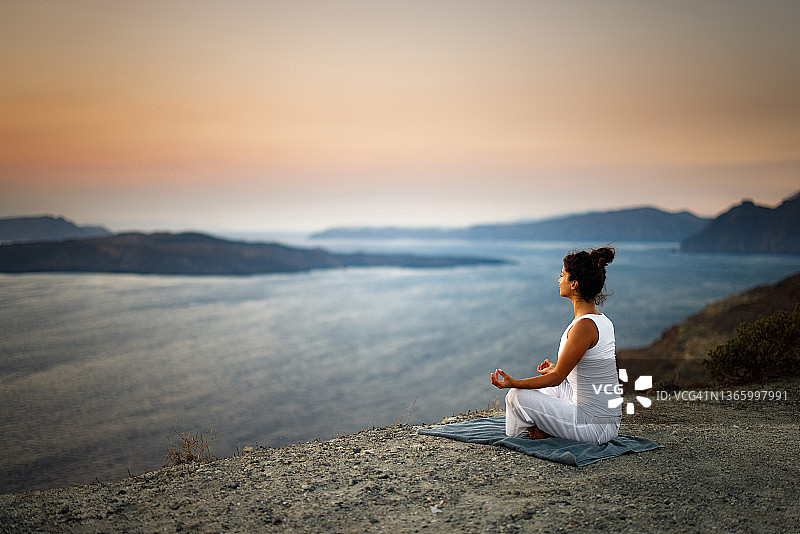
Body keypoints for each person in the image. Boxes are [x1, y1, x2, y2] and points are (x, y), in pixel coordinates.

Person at [490, 246, 622, 445]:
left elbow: (556, 378)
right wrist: (556, 369)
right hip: (606, 419)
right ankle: (546, 429)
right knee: (546, 392)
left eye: (562, 275)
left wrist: (514, 382)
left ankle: (521, 438)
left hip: (595, 426)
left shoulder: (583, 327)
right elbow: (585, 370)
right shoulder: (601, 320)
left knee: (515, 397)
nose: (559, 280)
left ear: (574, 284)